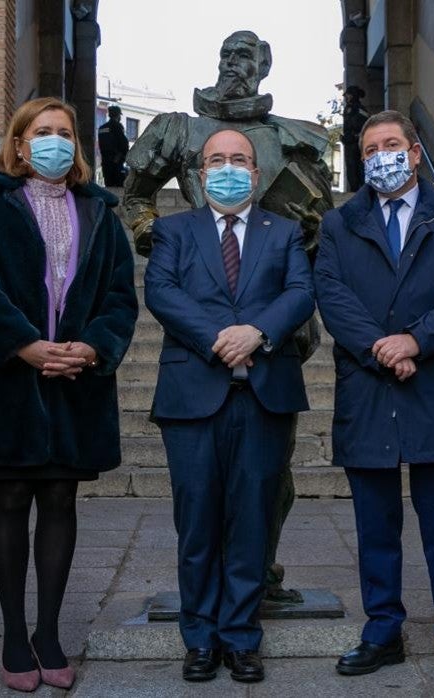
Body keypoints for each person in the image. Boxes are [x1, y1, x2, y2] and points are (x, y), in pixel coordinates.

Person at [123, 29, 331, 604]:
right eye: (229, 54)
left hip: (277, 316)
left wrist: (308, 231)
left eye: (248, 56)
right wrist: (156, 236)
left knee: (270, 473)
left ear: (265, 67)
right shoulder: (179, 132)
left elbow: (322, 222)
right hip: (201, 308)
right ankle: (208, 591)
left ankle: (258, 574)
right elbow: (135, 194)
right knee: (201, 484)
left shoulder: (295, 139)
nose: (235, 64)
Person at [0, 97, 137, 692]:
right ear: (20, 143)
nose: (54, 141)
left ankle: (48, 632)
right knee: (11, 498)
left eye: (64, 133)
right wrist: (23, 344)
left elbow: (120, 295)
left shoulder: (99, 209)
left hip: (75, 381)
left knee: (60, 501)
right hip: (8, 380)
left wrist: (94, 347)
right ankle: (11, 634)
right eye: (42, 132)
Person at [314, 110, 434, 683]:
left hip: (432, 386)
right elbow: (332, 295)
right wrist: (382, 348)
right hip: (368, 388)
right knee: (375, 526)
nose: (381, 156)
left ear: (416, 153)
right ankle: (382, 629)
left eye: (392, 145)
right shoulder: (340, 224)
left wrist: (415, 339)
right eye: (370, 149)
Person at [145, 128, 315, 684]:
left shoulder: (285, 231)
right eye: (216, 159)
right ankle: (199, 638)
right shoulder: (173, 230)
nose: (227, 168)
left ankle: (241, 637)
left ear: (257, 173)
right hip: (193, 396)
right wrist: (223, 335)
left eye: (238, 160)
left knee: (251, 521)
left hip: (265, 396)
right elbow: (162, 292)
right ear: (199, 172)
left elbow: (300, 292)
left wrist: (259, 332)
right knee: (196, 523)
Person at [98, 105, 129, 186]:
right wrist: (122, 156)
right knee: (119, 188)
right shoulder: (117, 127)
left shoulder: (102, 128)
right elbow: (124, 144)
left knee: (109, 185)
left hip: (105, 162)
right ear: (118, 115)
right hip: (116, 162)